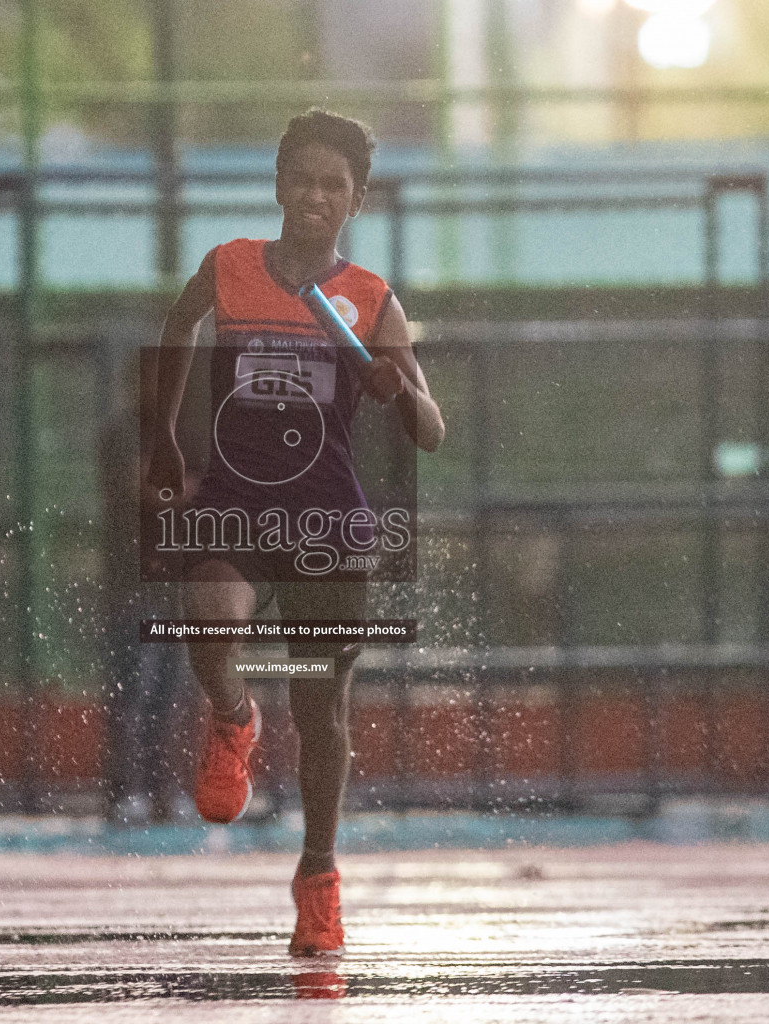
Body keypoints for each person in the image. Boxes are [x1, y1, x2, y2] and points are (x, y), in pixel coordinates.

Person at [146, 110, 445, 954]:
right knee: (210, 622)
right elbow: (177, 329)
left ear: (356, 199)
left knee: (321, 706)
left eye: (334, 186)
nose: (316, 196)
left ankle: (318, 876)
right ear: (279, 185)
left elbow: (431, 431)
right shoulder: (229, 266)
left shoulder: (371, 298)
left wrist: (395, 385)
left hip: (325, 525)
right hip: (238, 503)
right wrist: (166, 433)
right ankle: (234, 715)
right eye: (303, 180)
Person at [98, 352, 195, 825]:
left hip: (174, 587)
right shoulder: (123, 433)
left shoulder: (181, 431)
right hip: (132, 585)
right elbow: (151, 492)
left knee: (169, 695)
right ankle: (122, 792)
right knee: (130, 691)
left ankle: (161, 789)